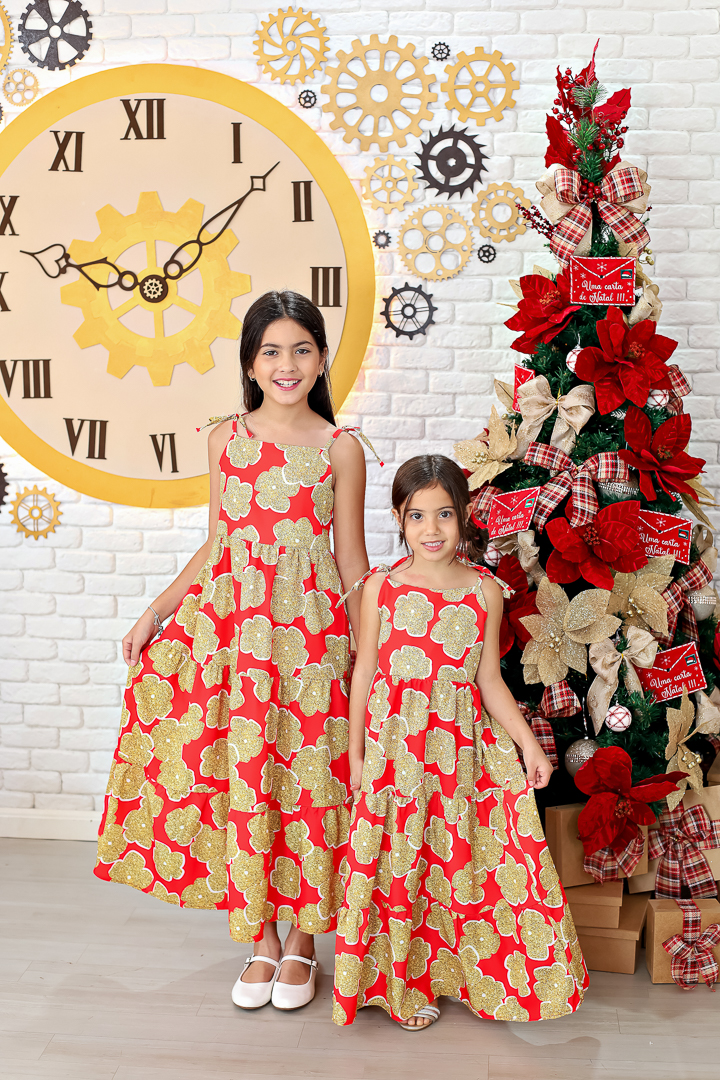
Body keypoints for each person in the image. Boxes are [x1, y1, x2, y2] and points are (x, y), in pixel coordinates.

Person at [95, 290, 370, 1012]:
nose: (287, 365)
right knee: (248, 776)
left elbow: (351, 560)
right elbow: (218, 544)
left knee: (307, 780)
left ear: (322, 359)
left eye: (301, 349)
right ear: (250, 363)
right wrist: (156, 611)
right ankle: (263, 940)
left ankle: (305, 941)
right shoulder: (224, 440)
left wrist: (372, 651)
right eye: (270, 351)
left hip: (312, 643)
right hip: (235, 640)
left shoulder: (340, 448)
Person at [333, 455, 588, 1030]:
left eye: (444, 514)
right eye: (417, 515)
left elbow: (489, 680)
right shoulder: (380, 588)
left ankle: (467, 975)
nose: (432, 529)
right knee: (401, 865)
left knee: (459, 864)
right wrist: (356, 753)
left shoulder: (485, 592)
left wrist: (528, 745)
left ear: (465, 514)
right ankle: (401, 984)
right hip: (396, 752)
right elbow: (364, 670)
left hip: (459, 752)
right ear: (399, 519)